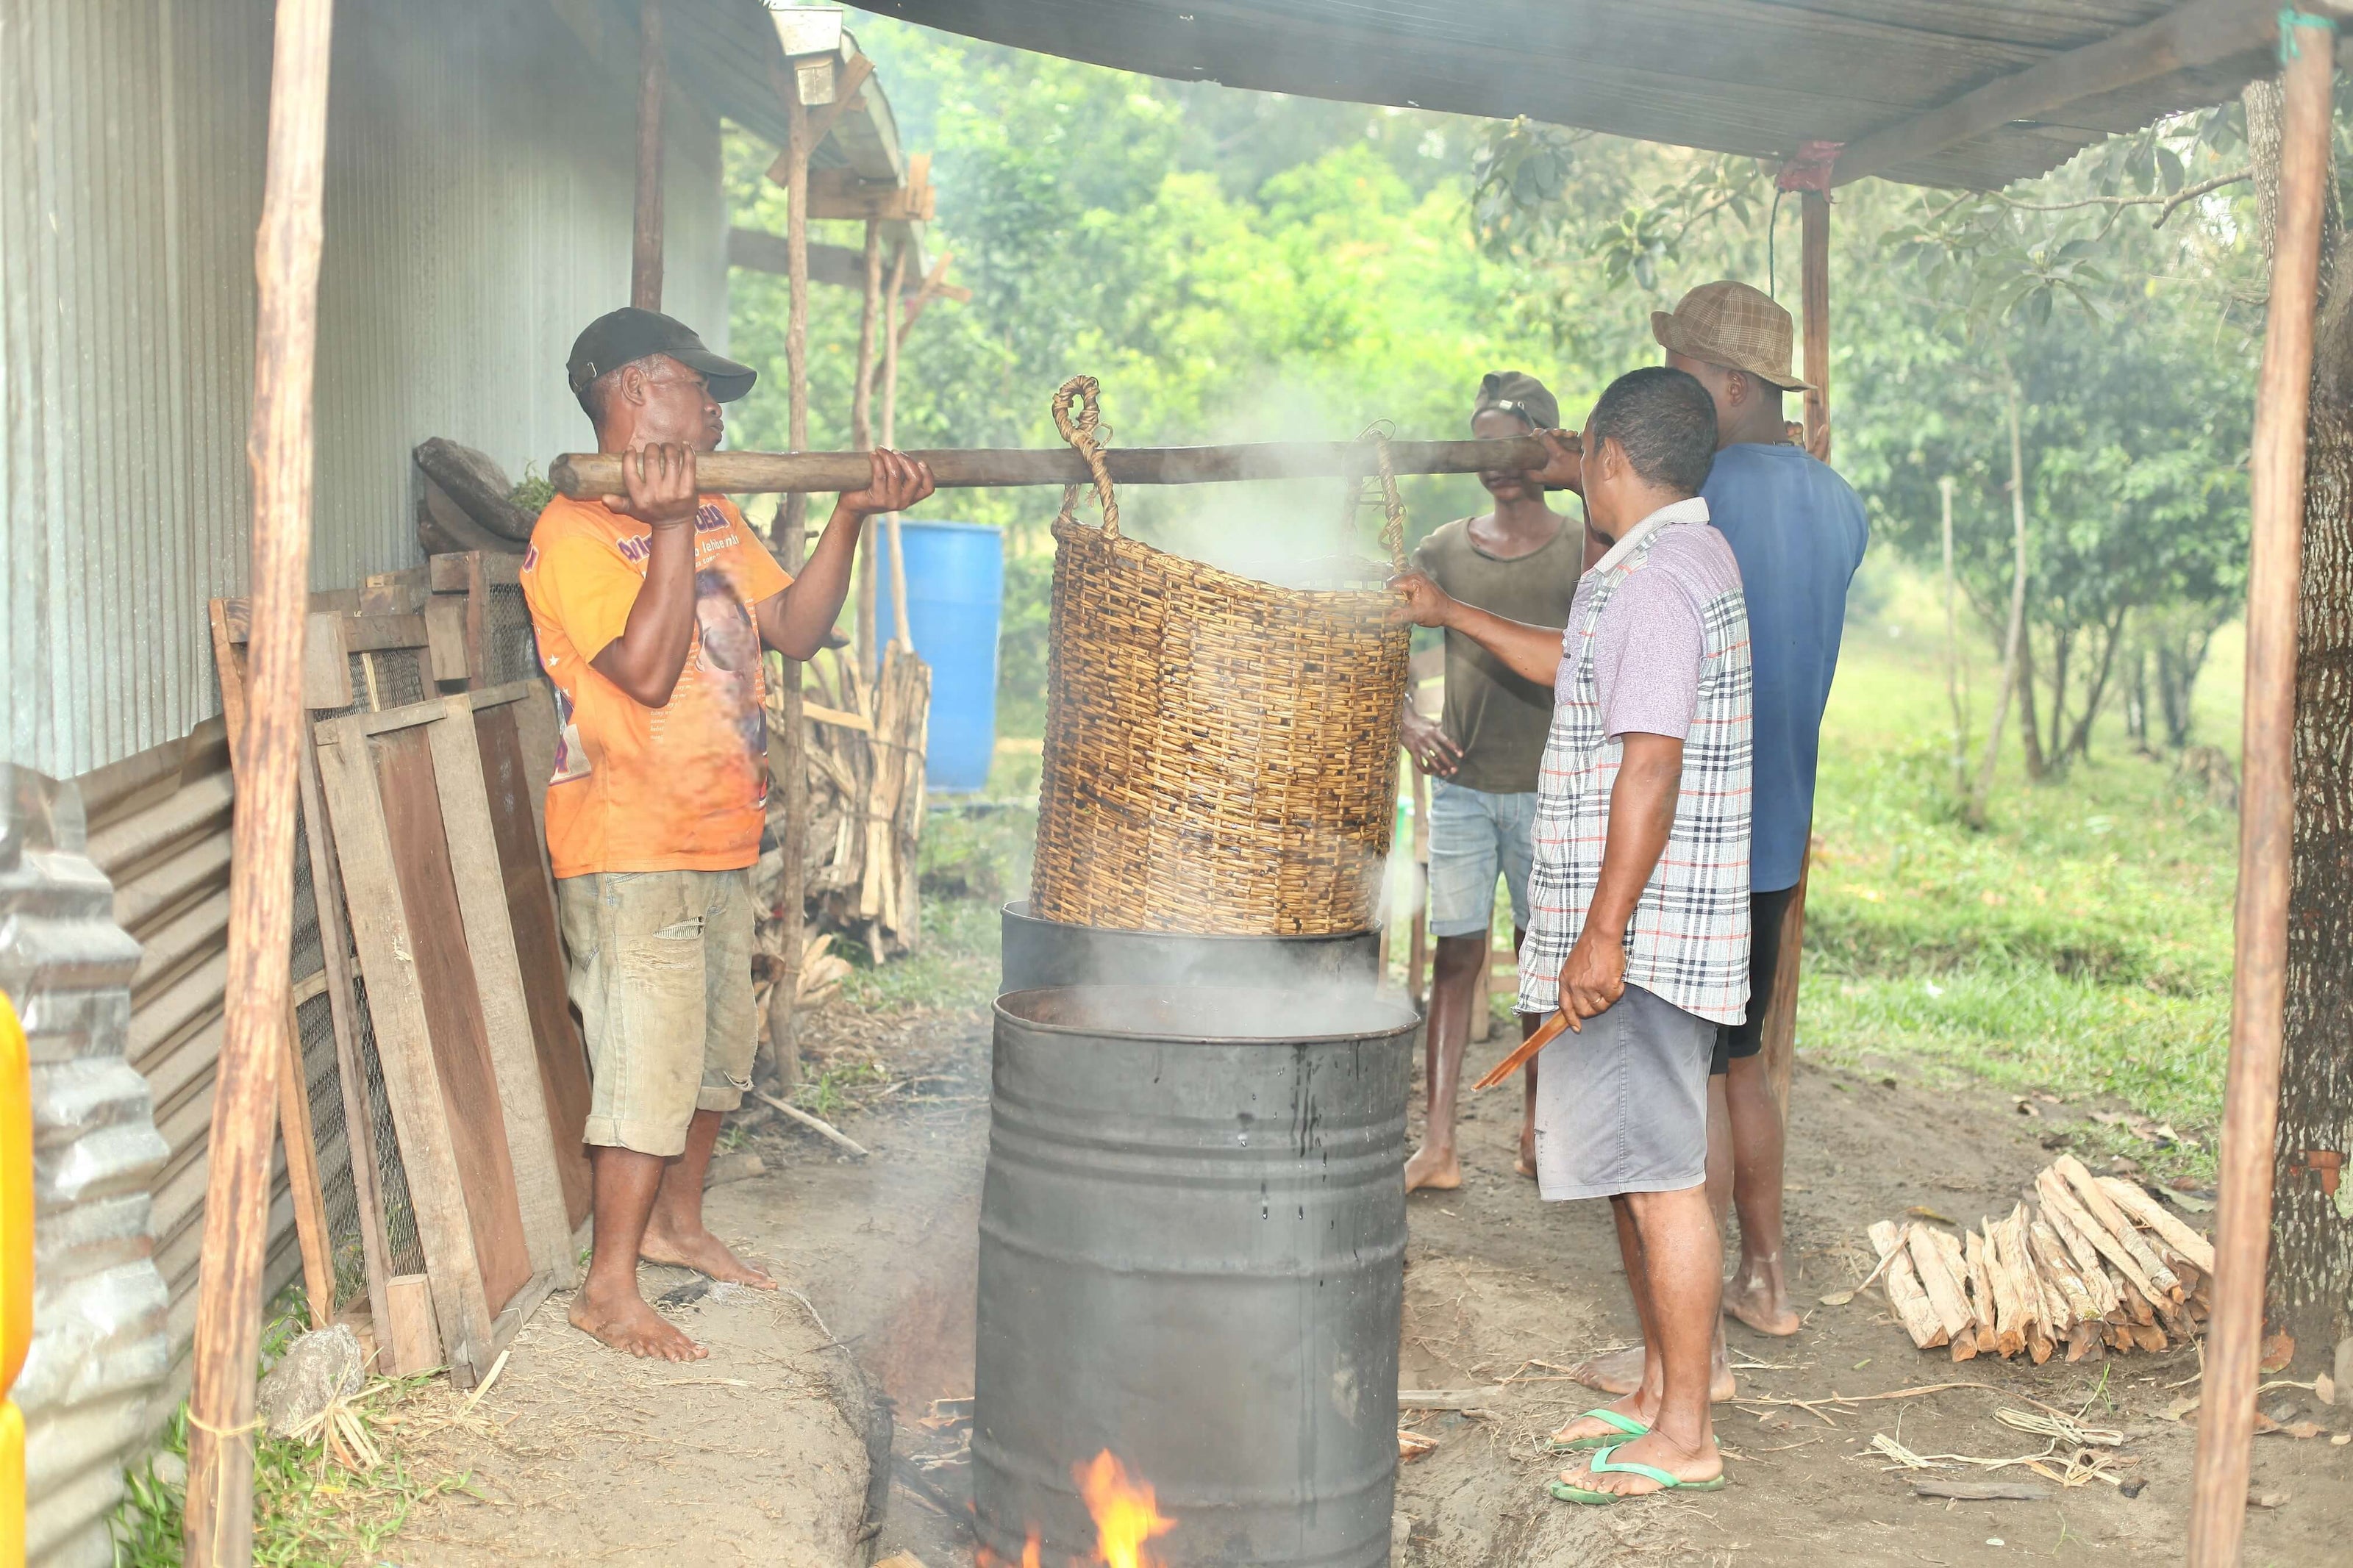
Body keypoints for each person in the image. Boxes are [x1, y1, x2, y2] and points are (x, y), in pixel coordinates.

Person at [523, 307, 935, 1361]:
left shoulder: (708, 512)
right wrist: (664, 529)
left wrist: (850, 513)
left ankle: (676, 1224)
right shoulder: (571, 531)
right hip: (629, 844)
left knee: (715, 1058)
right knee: (646, 1067)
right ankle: (605, 1290)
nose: (712, 409)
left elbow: (794, 630)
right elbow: (650, 674)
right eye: (695, 386)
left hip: (718, 833)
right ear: (631, 392)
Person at [1392, 365, 1751, 1501]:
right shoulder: (1662, 562)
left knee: (1658, 1180)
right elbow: (1576, 673)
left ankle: (1687, 1432)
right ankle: (1657, 1386)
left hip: (1641, 939)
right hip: (1639, 929)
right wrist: (1451, 614)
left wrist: (1603, 934)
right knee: (1633, 1172)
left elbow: (1650, 760)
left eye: (1579, 456)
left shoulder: (1656, 583)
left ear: (1604, 457)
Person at [1568, 283, 1868, 1403]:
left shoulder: (1697, 506)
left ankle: (1695, 1358)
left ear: (1728, 387)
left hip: (1689, 836)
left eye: (1686, 372)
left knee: (1670, 1082)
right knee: (1743, 1062)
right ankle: (1769, 1279)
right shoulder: (1839, 502)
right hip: (1780, 828)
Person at [1401, 372, 1590, 1193]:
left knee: (1541, 968)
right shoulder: (1441, 552)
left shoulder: (1584, 547)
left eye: (1511, 446)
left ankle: (1535, 1135)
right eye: (1480, 446)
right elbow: (1384, 653)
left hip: (1554, 790)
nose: (1497, 463)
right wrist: (1406, 721)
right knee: (1456, 956)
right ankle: (1438, 1144)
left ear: (1544, 448)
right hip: (1465, 788)